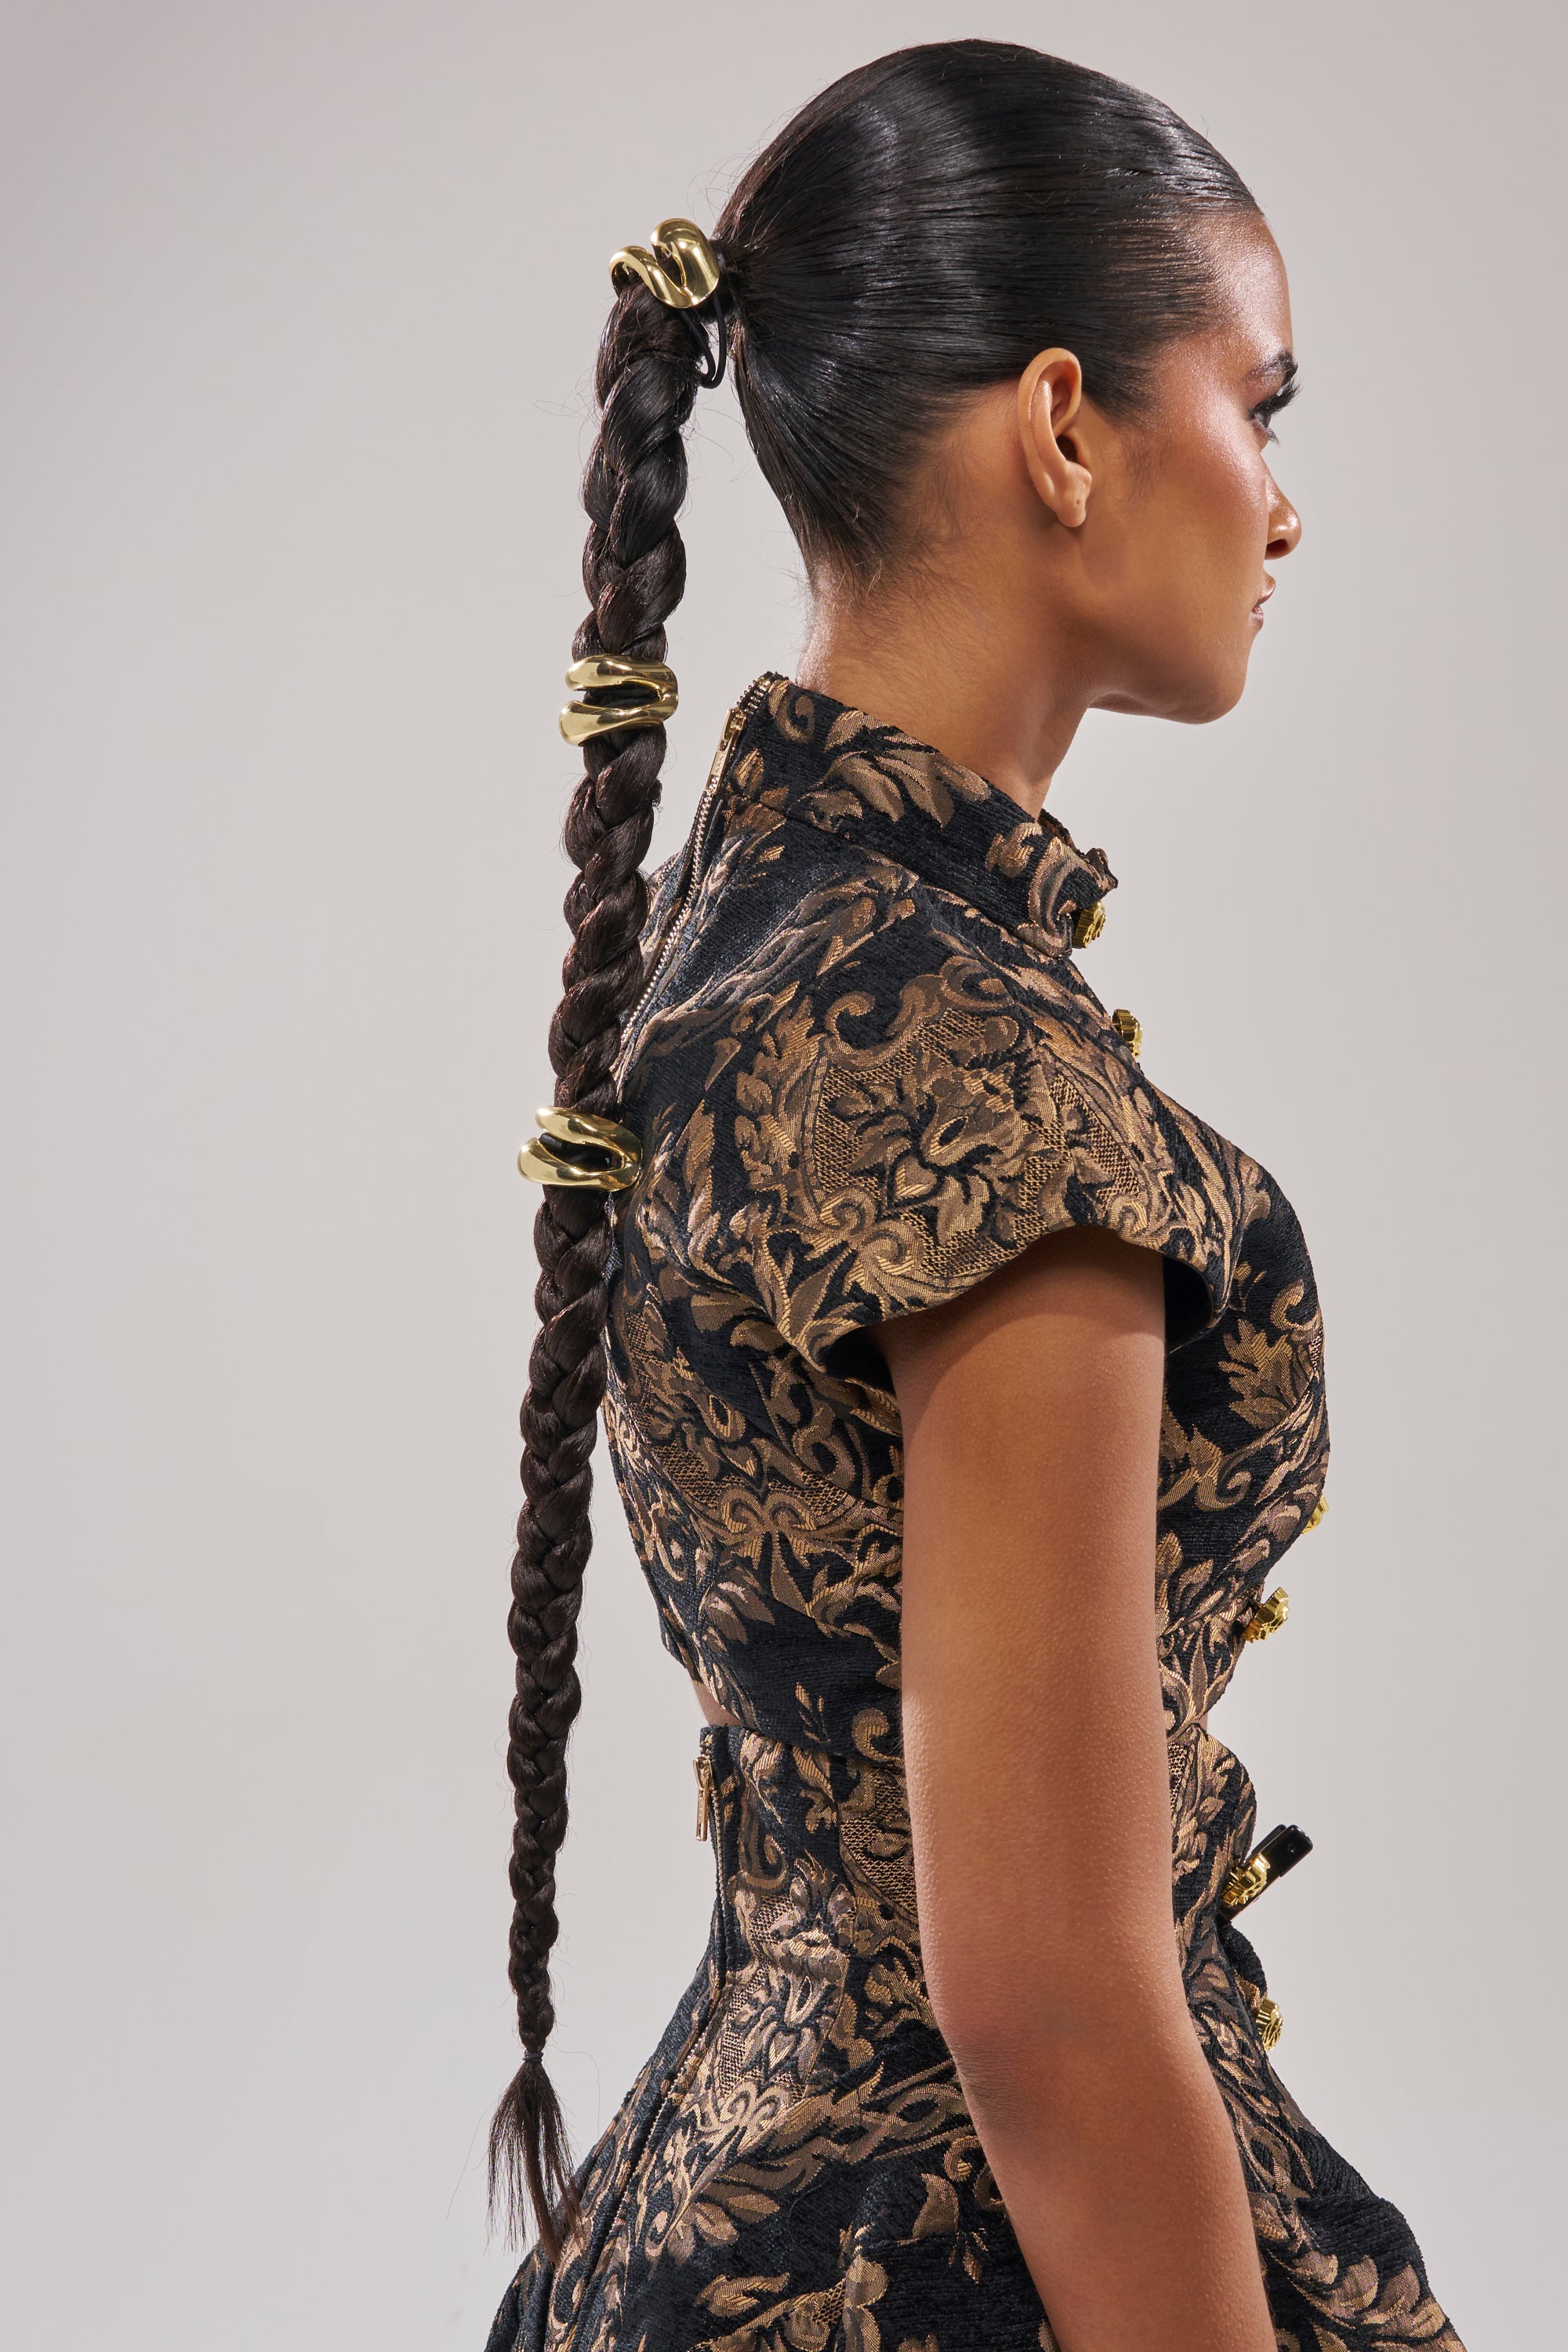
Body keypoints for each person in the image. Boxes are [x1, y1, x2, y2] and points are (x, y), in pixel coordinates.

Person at [485, 40, 1463, 2352]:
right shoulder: (972, 1073)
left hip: (702, 2228)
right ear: (1062, 431)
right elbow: (1038, 1999)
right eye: (1264, 404)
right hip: (962, 2275)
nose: (1286, 503)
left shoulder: (746, 936)